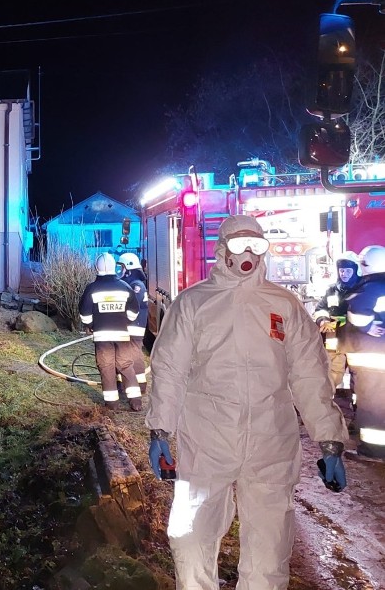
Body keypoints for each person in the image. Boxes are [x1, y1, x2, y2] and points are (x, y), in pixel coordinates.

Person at [145, 214, 348, 590]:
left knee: (269, 551)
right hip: (208, 439)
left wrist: (330, 438)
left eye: (256, 245)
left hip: (271, 441)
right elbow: (169, 369)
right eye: (239, 245)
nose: (248, 254)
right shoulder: (194, 304)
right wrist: (160, 428)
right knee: (190, 535)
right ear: (222, 250)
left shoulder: (284, 305)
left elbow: (309, 375)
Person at [79, 252, 142, 411]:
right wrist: (124, 321)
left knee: (106, 367)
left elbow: (84, 315)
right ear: (114, 267)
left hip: (102, 336)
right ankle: (136, 402)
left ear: (96, 268)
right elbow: (134, 312)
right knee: (126, 365)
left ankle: (112, 404)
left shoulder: (91, 289)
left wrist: (91, 325)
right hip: (122, 335)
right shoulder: (125, 287)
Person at [344, 244, 385, 461]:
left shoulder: (371, 288)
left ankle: (373, 450)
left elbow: (357, 313)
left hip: (374, 360)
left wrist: (367, 327)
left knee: (373, 407)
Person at [312, 251, 360, 389]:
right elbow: (321, 308)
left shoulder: (362, 289)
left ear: (356, 271)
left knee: (357, 373)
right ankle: (330, 399)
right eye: (342, 270)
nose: (344, 274)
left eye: (348, 271)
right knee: (333, 372)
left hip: (355, 338)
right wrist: (322, 320)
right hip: (334, 337)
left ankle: (357, 403)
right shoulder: (332, 290)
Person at [117, 252, 149, 393]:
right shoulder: (132, 284)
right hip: (130, 326)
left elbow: (131, 306)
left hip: (134, 326)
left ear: (129, 269)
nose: (120, 271)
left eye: (122, 267)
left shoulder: (137, 286)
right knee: (122, 353)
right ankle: (123, 382)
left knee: (134, 353)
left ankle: (140, 384)